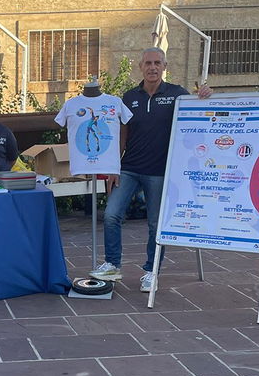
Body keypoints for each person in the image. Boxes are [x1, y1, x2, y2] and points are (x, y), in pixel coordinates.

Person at [89, 47, 212, 292]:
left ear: (165, 66)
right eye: (148, 63)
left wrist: (204, 97)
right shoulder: (129, 97)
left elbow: (197, 115)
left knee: (156, 225)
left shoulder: (177, 94)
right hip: (129, 168)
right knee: (112, 215)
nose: (152, 67)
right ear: (141, 67)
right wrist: (113, 166)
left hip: (160, 172)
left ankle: (151, 271)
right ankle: (112, 264)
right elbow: (122, 133)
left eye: (157, 63)